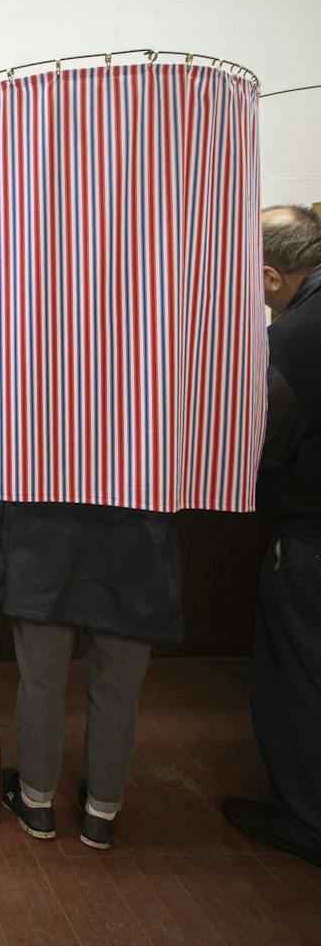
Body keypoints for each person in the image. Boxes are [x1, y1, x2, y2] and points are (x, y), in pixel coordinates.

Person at [0, 502, 182, 849]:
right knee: (117, 691)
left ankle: (36, 804)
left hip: (43, 535)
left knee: (41, 683)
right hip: (135, 541)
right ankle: (101, 814)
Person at [224, 203, 321, 868]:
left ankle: (306, 820)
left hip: (310, 536)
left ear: (271, 275)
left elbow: (258, 446)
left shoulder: (291, 338)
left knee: (297, 677)